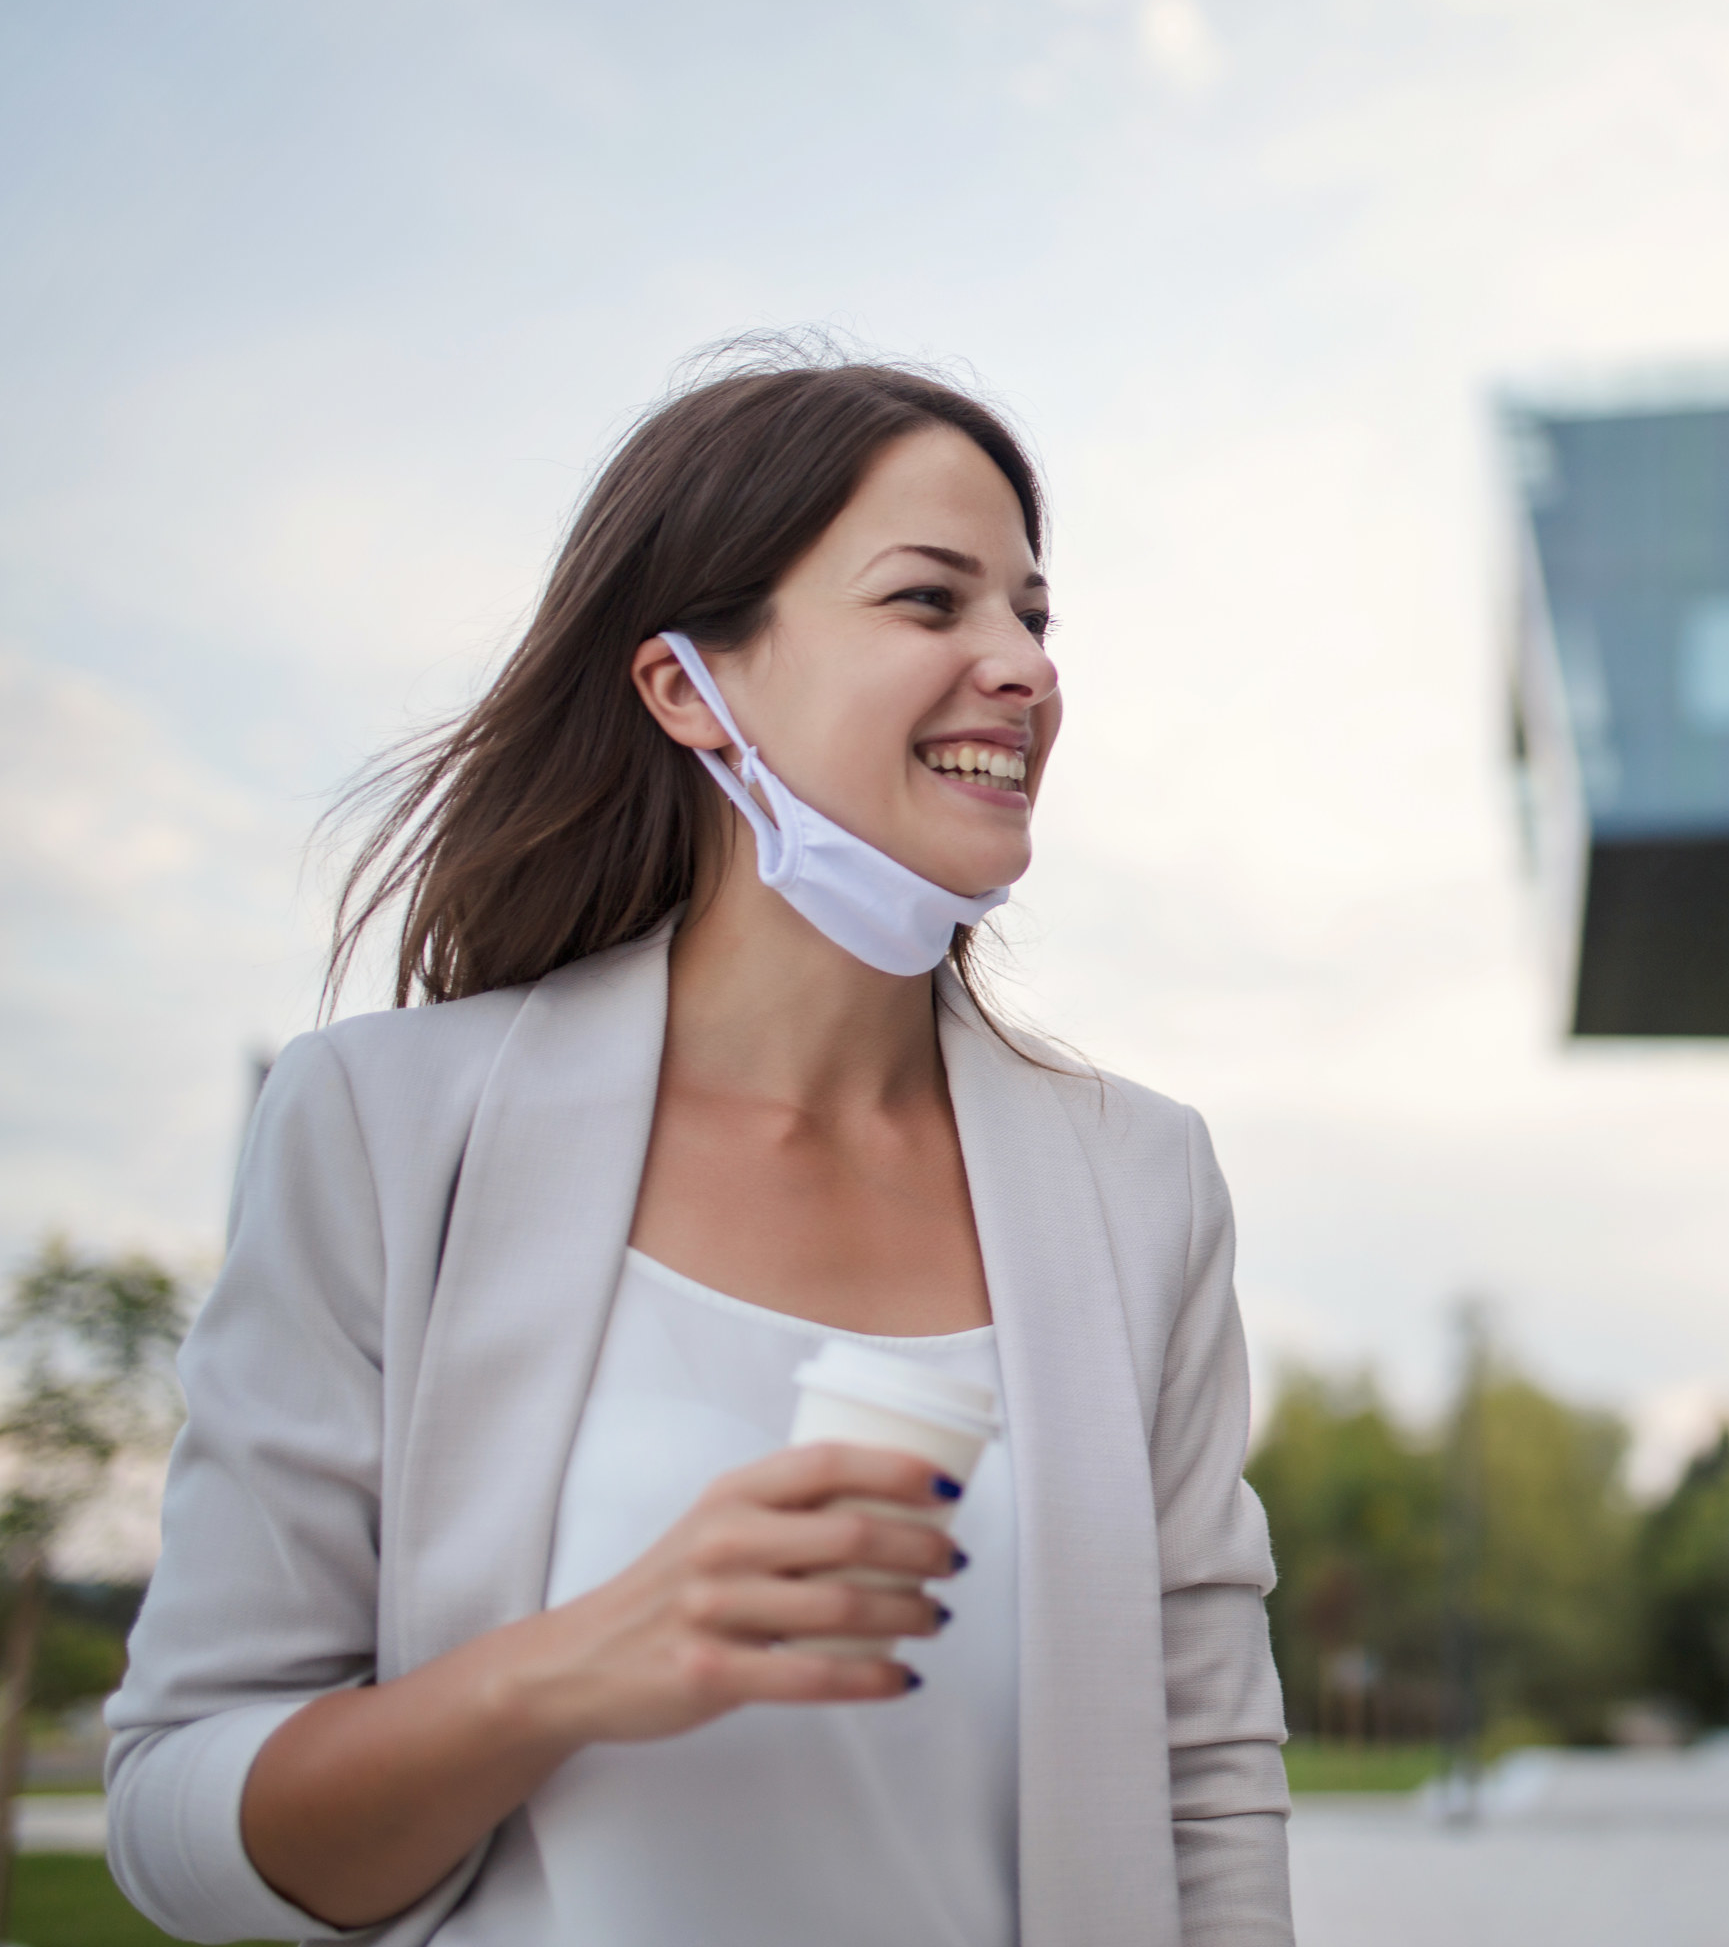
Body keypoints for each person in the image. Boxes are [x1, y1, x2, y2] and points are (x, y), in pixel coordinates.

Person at [103, 354, 1292, 1945]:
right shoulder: (382, 1131)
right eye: (932, 604)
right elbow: (179, 1820)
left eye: (1034, 613)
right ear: (685, 688)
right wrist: (571, 1666)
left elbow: (1205, 1780)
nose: (1020, 666)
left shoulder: (1140, 1184)